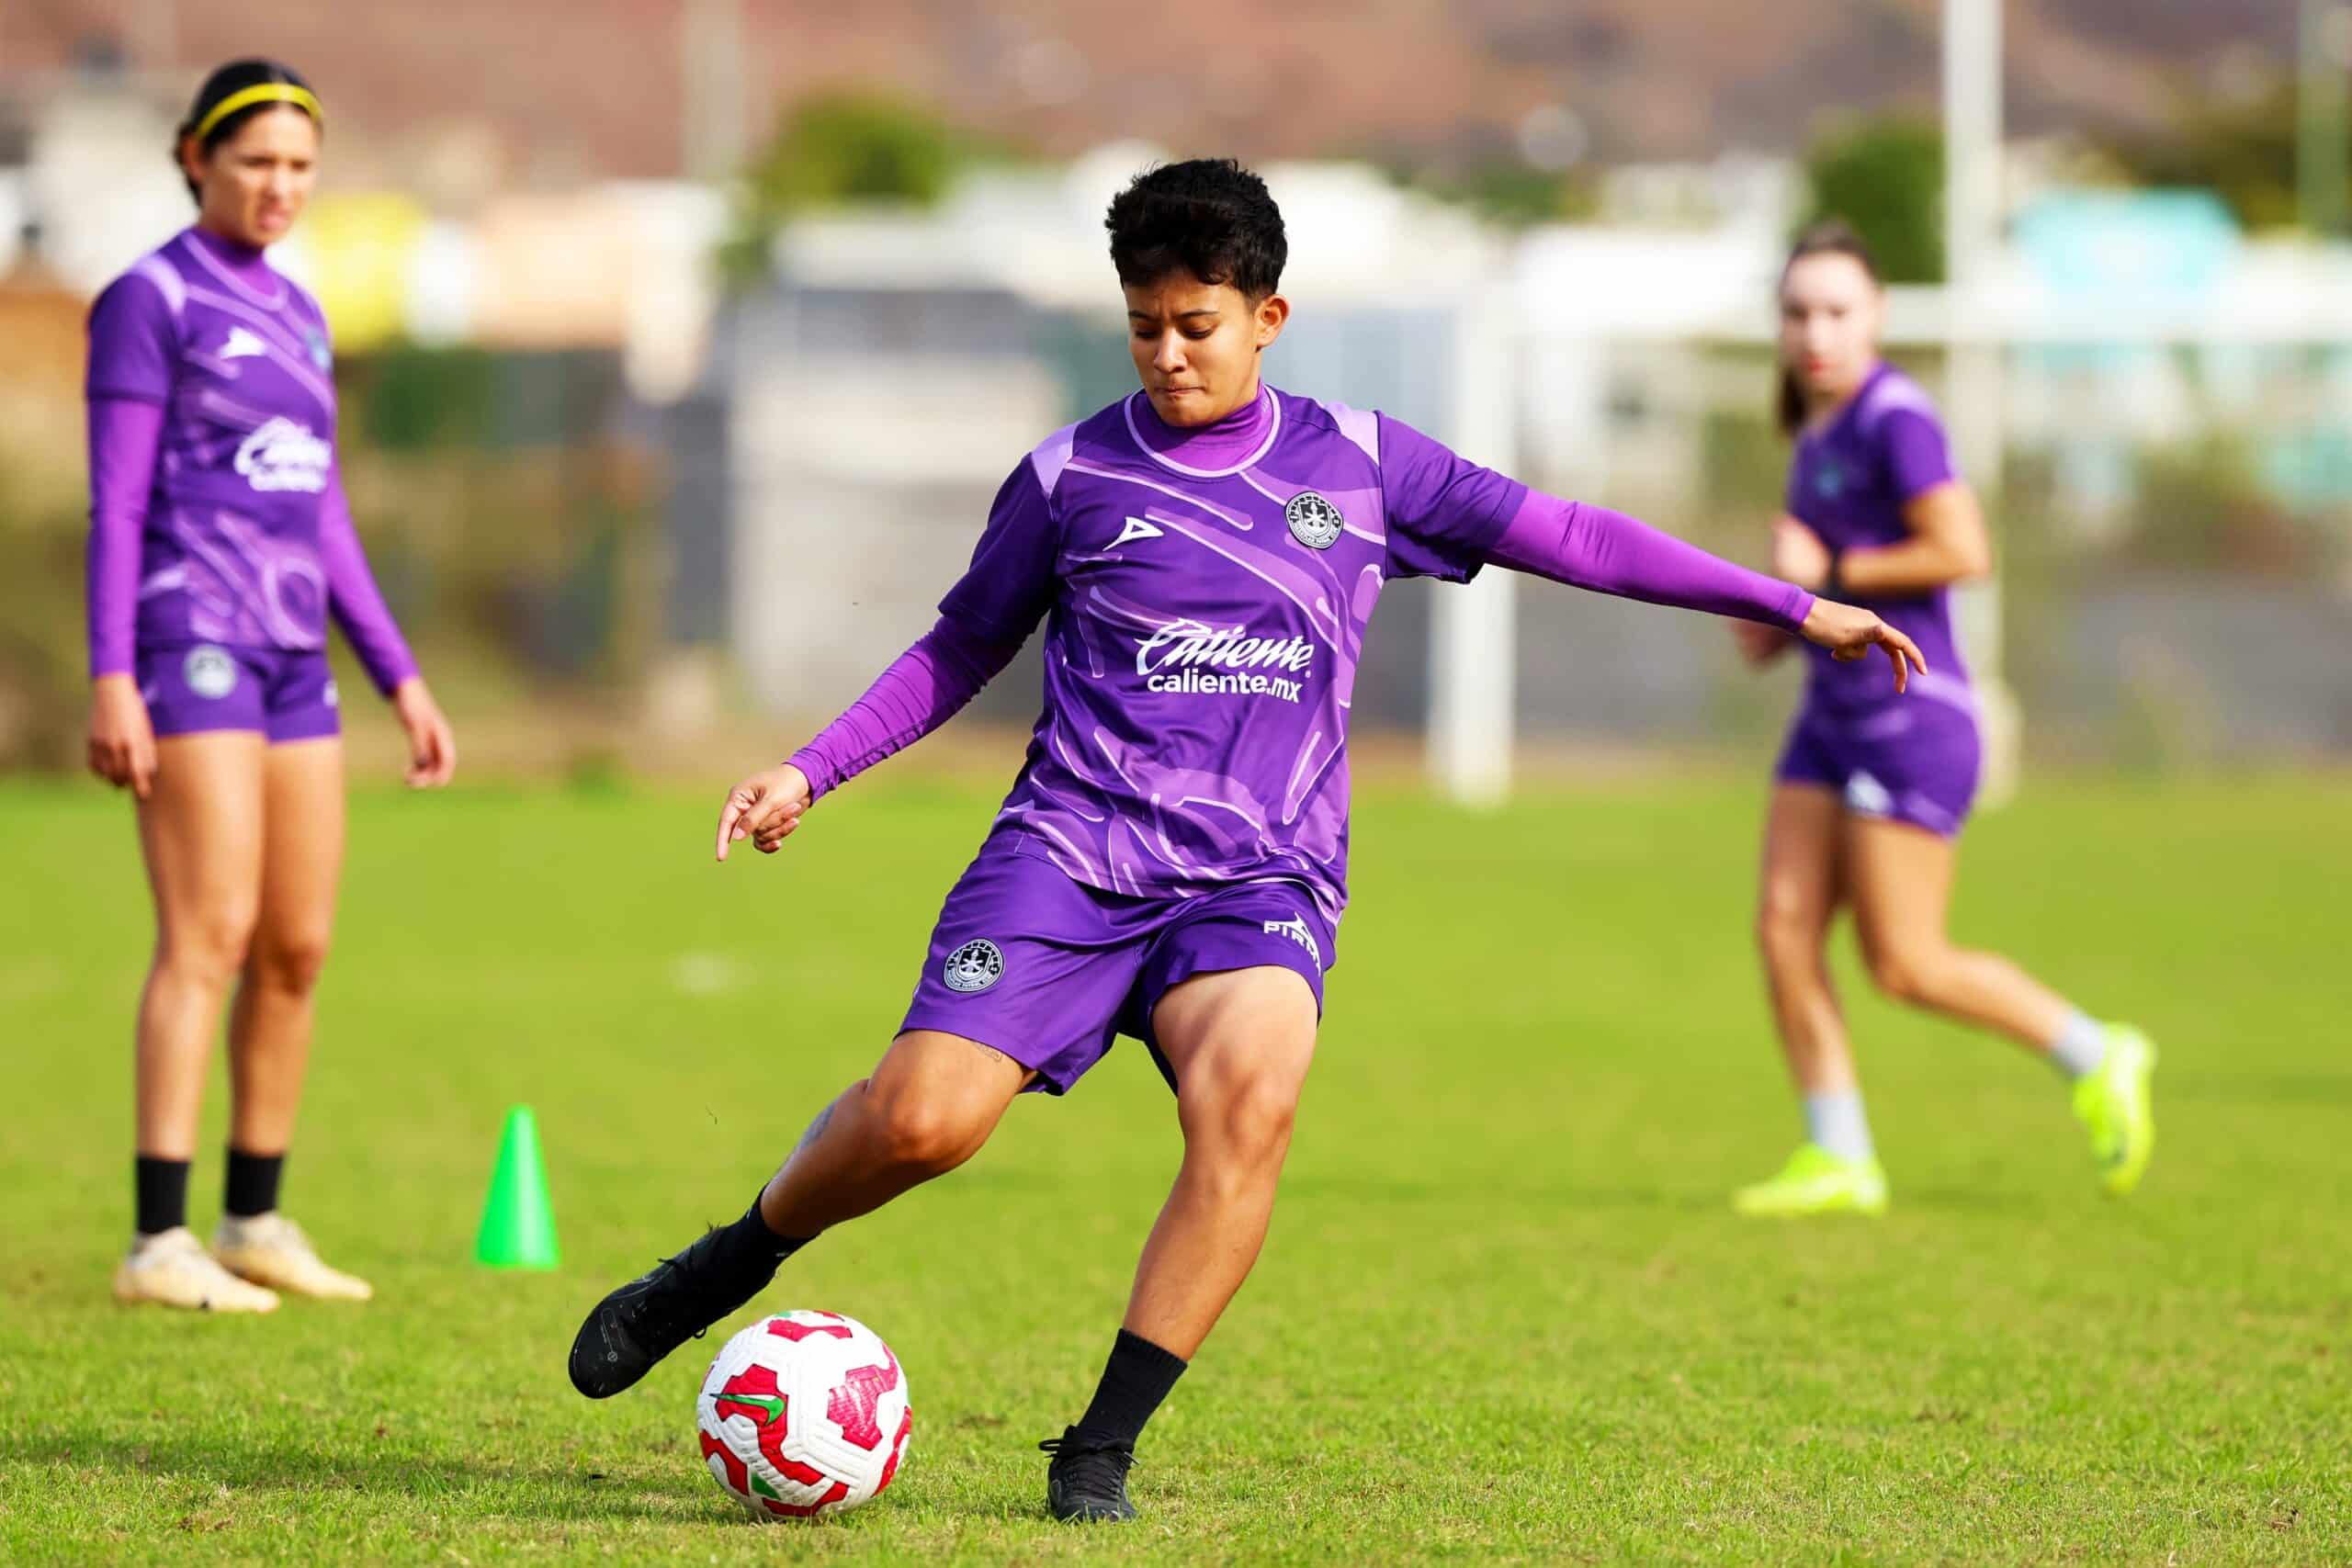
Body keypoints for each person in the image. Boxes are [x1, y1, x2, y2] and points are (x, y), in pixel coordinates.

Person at [568, 160, 1916, 1521]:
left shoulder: (1367, 463)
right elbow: (962, 646)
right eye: (1143, 324)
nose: (1166, 354)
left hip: (1257, 882)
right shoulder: (1070, 474)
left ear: (1269, 315)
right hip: (1071, 858)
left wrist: (1796, 607)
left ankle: (1096, 1449)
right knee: (923, 1121)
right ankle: (727, 1263)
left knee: (1253, 1100)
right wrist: (814, 765)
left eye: (1195, 326)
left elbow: (1566, 532)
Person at [85, 59, 456, 1312]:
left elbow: (326, 510)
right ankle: (155, 1240)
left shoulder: (300, 308)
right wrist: (110, 675)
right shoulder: (150, 298)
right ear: (196, 156)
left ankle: (251, 1216)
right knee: (210, 931)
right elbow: (121, 498)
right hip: (188, 638)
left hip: (298, 658)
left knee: (296, 945)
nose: (279, 186)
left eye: (300, 166)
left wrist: (400, 674)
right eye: (255, 162)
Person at [1727, 220, 2154, 1219]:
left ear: (1876, 315)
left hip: (1909, 717)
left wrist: (1822, 576)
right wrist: (1781, 621)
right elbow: (1824, 590)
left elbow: (1962, 550)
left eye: (1836, 310)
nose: (1815, 332)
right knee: (1783, 930)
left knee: (1905, 965)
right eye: (1797, 312)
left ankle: (2098, 1051)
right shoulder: (1816, 431)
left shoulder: (1894, 418)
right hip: (1828, 716)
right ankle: (1839, 1156)